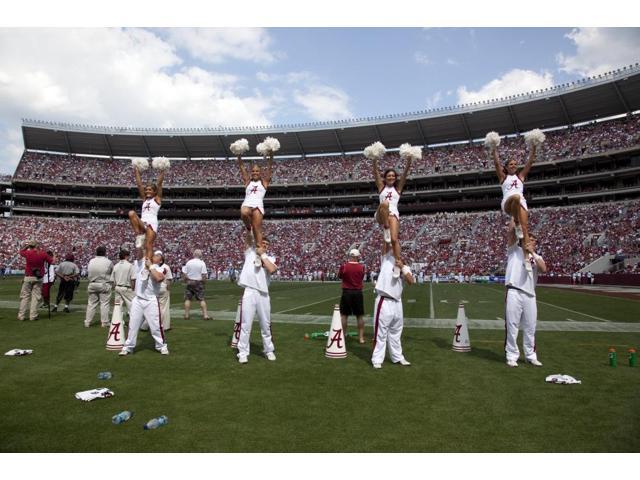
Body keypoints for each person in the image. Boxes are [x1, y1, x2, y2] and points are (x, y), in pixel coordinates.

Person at [490, 138, 538, 271]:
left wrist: (534, 147)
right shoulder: (503, 177)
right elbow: (496, 162)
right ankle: (516, 221)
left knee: (525, 229)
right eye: (511, 164)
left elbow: (530, 162)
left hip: (521, 204)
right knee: (516, 197)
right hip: (508, 203)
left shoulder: (521, 176)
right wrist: (494, 147)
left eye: (515, 164)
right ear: (506, 167)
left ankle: (527, 258)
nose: (513, 165)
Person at [504, 220, 547, 367]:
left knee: (530, 327)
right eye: (530, 238)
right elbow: (510, 234)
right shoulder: (514, 250)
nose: (532, 241)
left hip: (530, 294)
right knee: (512, 325)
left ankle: (530, 355)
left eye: (534, 240)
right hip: (514, 291)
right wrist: (515, 217)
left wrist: (532, 253)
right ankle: (511, 355)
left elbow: (543, 269)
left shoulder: (537, 256)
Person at [371, 240, 415, 369]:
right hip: (384, 300)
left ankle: (397, 357)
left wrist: (401, 267)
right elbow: (386, 244)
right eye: (397, 247)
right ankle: (377, 359)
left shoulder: (405, 266)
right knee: (380, 332)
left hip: (397, 302)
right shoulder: (386, 259)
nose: (398, 249)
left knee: (396, 332)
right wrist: (389, 233)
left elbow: (411, 281)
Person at [236, 231, 278, 364]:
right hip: (249, 291)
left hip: (263, 294)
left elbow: (272, 269)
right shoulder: (250, 253)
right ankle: (243, 352)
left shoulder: (270, 258)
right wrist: (251, 229)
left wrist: (262, 253)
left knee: (265, 325)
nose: (265, 245)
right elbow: (248, 239)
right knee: (245, 324)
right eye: (263, 243)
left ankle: (268, 350)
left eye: (267, 244)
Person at [119, 247, 169, 356]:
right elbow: (140, 254)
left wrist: (150, 266)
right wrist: (141, 245)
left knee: (156, 326)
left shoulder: (161, 268)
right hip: (138, 299)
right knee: (133, 325)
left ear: (160, 260)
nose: (154, 256)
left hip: (151, 300)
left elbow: (159, 278)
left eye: (157, 255)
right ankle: (128, 347)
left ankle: (161, 346)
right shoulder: (141, 263)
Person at [372, 151, 413, 276]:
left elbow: (405, 175)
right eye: (388, 176)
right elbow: (375, 174)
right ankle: (386, 228)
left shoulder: (398, 188)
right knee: (384, 204)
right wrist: (374, 160)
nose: (391, 177)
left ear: (395, 178)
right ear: (385, 177)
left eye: (393, 176)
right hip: (381, 214)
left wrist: (409, 162)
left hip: (393, 215)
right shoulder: (381, 187)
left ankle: (398, 263)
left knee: (394, 240)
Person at [238, 149, 273, 265]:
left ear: (260, 172)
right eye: (253, 171)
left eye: (257, 171)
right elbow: (242, 168)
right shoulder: (247, 181)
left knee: (258, 231)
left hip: (258, 206)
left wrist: (271, 155)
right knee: (243, 212)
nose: (255, 172)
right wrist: (238, 155)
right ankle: (248, 228)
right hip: (247, 203)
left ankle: (259, 256)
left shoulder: (264, 182)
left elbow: (269, 169)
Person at [128, 162, 165, 263]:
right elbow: (139, 184)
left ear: (154, 192)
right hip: (143, 222)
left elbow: (159, 184)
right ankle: (138, 235)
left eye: (150, 189)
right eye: (146, 189)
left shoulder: (157, 199)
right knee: (131, 213)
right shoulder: (144, 199)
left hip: (152, 223)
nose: (147, 191)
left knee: (149, 245)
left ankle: (148, 264)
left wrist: (162, 170)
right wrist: (136, 170)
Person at [18, 240, 54, 321]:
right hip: (38, 277)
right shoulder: (42, 253)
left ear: (30, 246)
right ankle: (33, 316)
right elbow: (52, 261)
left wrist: (26, 246)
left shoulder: (27, 253)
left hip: (28, 276)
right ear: (37, 246)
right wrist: (53, 255)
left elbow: (21, 252)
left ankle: (21, 315)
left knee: (25, 297)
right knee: (35, 297)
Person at [338, 248, 366, 344]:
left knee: (344, 316)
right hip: (358, 292)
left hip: (347, 292)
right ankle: (361, 338)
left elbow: (340, 276)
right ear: (357, 256)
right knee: (359, 316)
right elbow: (361, 278)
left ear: (350, 256)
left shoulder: (344, 266)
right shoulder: (361, 267)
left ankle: (343, 336)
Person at [142, 251, 173, 331]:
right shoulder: (165, 267)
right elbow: (168, 279)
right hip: (162, 287)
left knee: (151, 307)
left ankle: (145, 325)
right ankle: (164, 326)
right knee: (163, 308)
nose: (155, 256)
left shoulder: (150, 266)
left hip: (153, 288)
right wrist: (168, 289)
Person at [85, 246, 113, 328]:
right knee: (104, 304)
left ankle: (87, 322)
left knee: (91, 304)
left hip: (92, 283)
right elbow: (112, 271)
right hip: (103, 284)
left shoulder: (91, 261)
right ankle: (104, 322)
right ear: (105, 252)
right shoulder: (108, 262)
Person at [182, 249, 210, 320]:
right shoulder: (202, 263)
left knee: (188, 299)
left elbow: (184, 274)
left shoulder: (188, 262)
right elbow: (204, 275)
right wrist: (204, 282)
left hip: (190, 281)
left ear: (194, 255)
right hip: (198, 282)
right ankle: (205, 315)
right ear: (200, 255)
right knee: (201, 299)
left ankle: (186, 315)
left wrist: (185, 281)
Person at [111, 249, 136, 314]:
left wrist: (114, 287)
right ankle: (133, 322)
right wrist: (133, 289)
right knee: (132, 306)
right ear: (126, 256)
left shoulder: (115, 266)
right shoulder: (130, 265)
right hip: (126, 288)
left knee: (118, 307)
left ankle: (118, 322)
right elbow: (133, 279)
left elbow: (112, 280)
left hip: (117, 287)